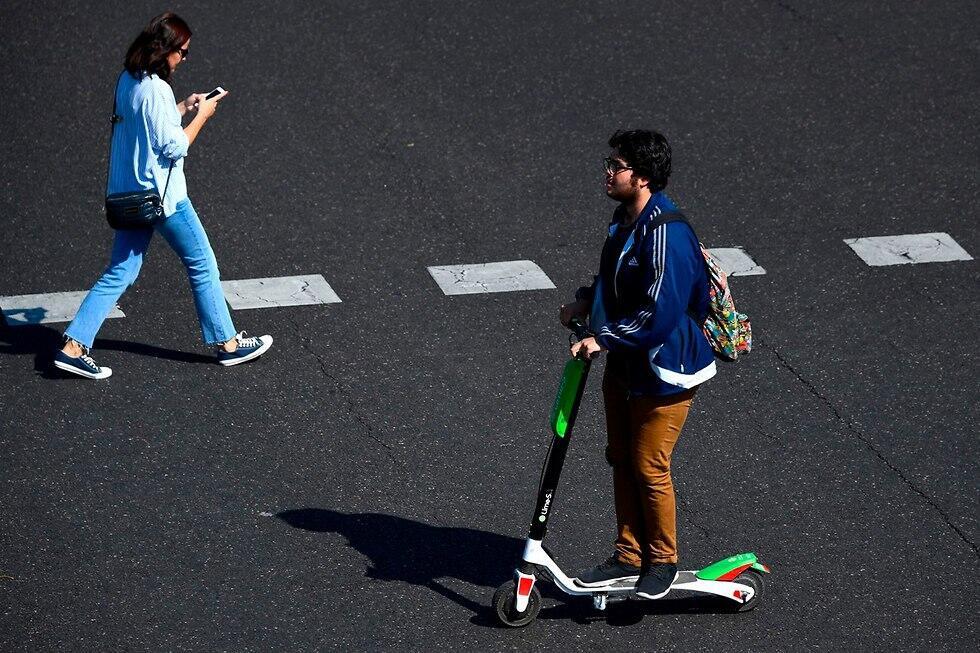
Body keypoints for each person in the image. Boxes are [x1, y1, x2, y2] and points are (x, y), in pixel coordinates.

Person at [54, 12, 272, 380]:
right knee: (202, 262)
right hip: (162, 198)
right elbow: (173, 146)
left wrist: (184, 107)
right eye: (182, 52)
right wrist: (202, 115)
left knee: (120, 270)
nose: (184, 59)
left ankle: (73, 346)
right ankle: (227, 344)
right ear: (164, 49)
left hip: (130, 195)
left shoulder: (129, 80)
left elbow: (148, 126)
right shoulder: (157, 88)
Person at [559, 129, 716, 600]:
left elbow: (660, 313)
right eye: (610, 162)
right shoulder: (624, 218)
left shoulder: (666, 233)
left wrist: (601, 337)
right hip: (628, 363)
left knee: (650, 465)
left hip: (665, 367)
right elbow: (614, 277)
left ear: (643, 177)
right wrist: (587, 301)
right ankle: (628, 555)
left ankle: (663, 560)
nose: (609, 172)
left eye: (618, 165)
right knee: (621, 457)